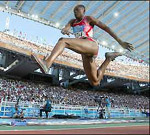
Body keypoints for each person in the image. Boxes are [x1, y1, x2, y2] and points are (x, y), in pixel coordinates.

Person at [32, 5, 134, 86]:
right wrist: (65, 29)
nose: (75, 12)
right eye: (74, 11)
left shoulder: (88, 19)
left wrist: (120, 41)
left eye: (77, 10)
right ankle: (108, 58)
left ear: (83, 11)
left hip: (91, 45)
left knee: (62, 41)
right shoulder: (72, 22)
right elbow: (66, 27)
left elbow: (106, 28)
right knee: (95, 82)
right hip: (84, 51)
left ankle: (47, 63)